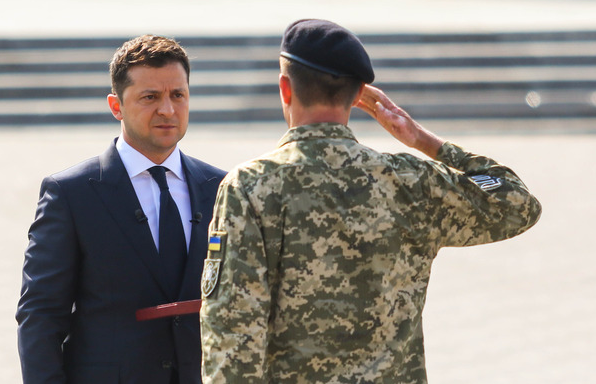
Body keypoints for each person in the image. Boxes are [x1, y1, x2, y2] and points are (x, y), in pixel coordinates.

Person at [200, 19, 542, 383]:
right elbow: (517, 203)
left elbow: (233, 332)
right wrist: (425, 142)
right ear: (360, 93)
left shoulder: (251, 186)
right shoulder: (410, 180)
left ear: (286, 89)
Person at [16, 35, 225, 384]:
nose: (167, 110)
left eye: (178, 95)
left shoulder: (222, 188)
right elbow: (41, 315)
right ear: (116, 106)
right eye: (150, 97)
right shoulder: (70, 194)